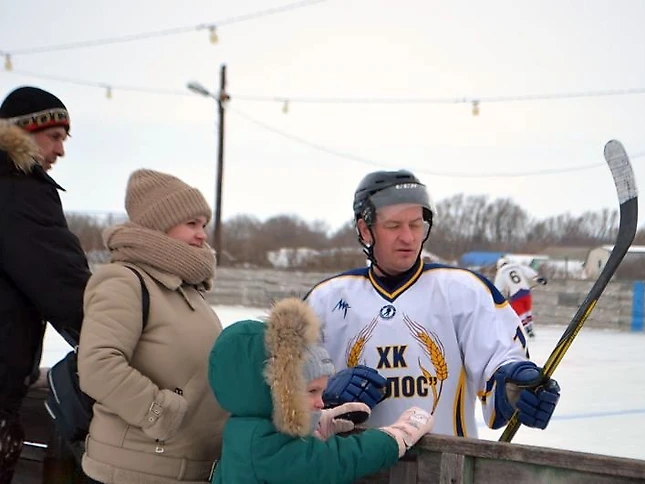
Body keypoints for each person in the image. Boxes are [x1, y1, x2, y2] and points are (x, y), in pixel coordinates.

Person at [305, 169, 560, 439]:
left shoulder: (464, 291)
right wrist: (326, 391)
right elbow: (280, 393)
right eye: (394, 226)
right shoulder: (324, 300)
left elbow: (500, 361)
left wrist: (519, 384)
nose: (408, 237)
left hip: (446, 471)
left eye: (415, 224)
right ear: (365, 230)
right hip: (350, 472)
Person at [77, 169, 227, 483]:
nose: (202, 235)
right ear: (159, 224)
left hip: (186, 468)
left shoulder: (187, 289)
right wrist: (159, 413)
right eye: (192, 224)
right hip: (135, 470)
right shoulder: (123, 282)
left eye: (203, 225)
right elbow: (97, 366)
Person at [207, 297, 435, 484]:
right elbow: (337, 460)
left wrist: (312, 428)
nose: (321, 403)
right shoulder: (262, 446)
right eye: (311, 391)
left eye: (321, 392)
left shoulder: (248, 428)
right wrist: (394, 438)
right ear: (275, 387)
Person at [0, 86, 90, 483]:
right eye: (54, 137)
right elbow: (63, 284)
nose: (60, 151)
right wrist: (115, 336)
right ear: (21, 132)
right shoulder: (17, 188)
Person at [494, 257, 548, 338]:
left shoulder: (501, 272)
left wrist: (499, 297)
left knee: (521, 313)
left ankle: (527, 329)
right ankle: (531, 327)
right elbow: (528, 272)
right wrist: (538, 279)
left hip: (515, 295)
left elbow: (498, 288)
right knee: (527, 311)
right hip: (526, 292)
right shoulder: (516, 266)